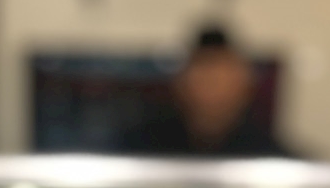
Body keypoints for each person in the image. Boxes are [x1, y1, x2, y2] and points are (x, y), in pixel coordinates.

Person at [121, 24, 299, 158]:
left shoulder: (271, 157)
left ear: (244, 84)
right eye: (203, 71)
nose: (211, 85)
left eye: (221, 75)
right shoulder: (141, 146)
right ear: (181, 83)